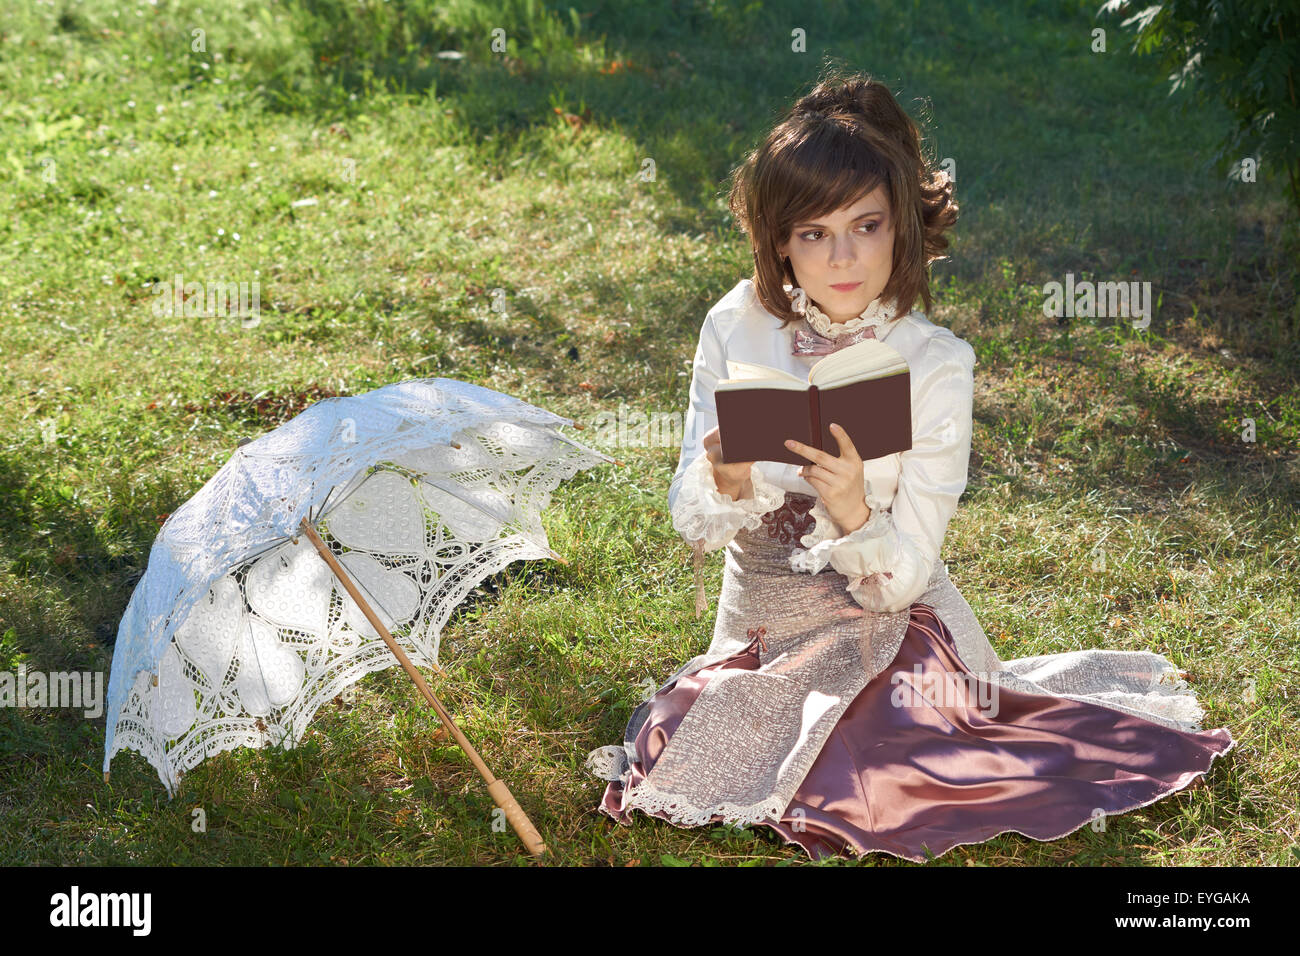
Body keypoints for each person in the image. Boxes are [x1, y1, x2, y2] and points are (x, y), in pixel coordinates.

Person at [583, 70, 1236, 862]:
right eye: (814, 234)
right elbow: (693, 519)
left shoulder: (935, 364)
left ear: (902, 230)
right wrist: (725, 480)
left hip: (886, 623)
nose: (843, 257)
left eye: (866, 226)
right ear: (780, 240)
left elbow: (905, 576)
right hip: (759, 623)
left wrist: (856, 511)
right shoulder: (734, 321)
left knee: (889, 759)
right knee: (678, 736)